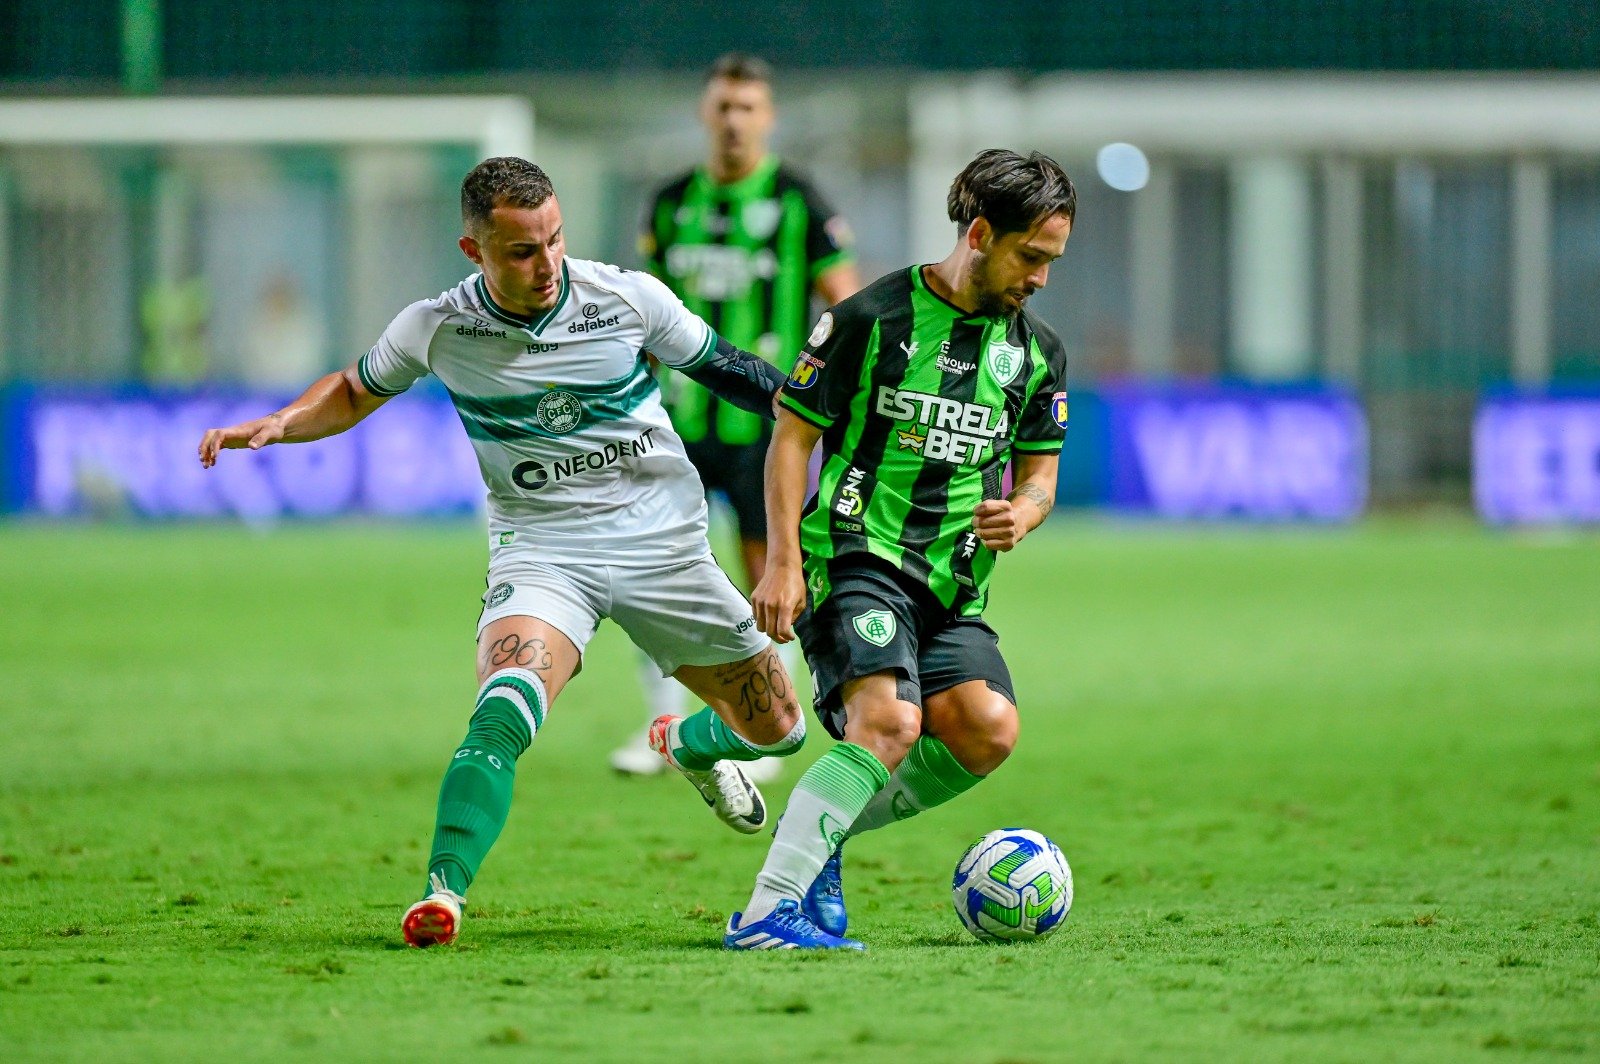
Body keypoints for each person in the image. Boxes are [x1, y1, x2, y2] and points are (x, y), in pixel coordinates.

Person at [198, 157, 809, 948]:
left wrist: (826, 410)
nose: (546, 263)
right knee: (503, 707)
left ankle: (684, 741)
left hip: (665, 549)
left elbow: (736, 372)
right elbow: (354, 388)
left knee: (783, 730)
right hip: (544, 551)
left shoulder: (626, 298)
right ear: (474, 251)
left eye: (554, 240)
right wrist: (283, 422)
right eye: (521, 250)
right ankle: (441, 895)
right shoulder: (440, 326)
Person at [725, 149, 1076, 950]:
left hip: (950, 585)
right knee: (887, 724)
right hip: (854, 554)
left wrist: (1022, 514)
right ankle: (765, 914)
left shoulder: (1038, 355)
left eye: (1053, 261)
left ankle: (823, 833)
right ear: (981, 233)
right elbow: (790, 438)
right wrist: (782, 562)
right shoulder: (867, 319)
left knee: (988, 731)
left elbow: (1041, 476)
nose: (1042, 278)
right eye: (1032, 257)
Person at [612, 52, 861, 779]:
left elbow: (843, 305)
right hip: (674, 425)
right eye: (722, 106)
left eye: (747, 108)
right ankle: (661, 726)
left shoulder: (797, 202)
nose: (732, 121)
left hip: (765, 429)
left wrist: (827, 395)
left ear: (768, 117)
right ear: (704, 113)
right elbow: (643, 310)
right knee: (658, 574)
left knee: (766, 573)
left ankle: (761, 725)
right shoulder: (668, 201)